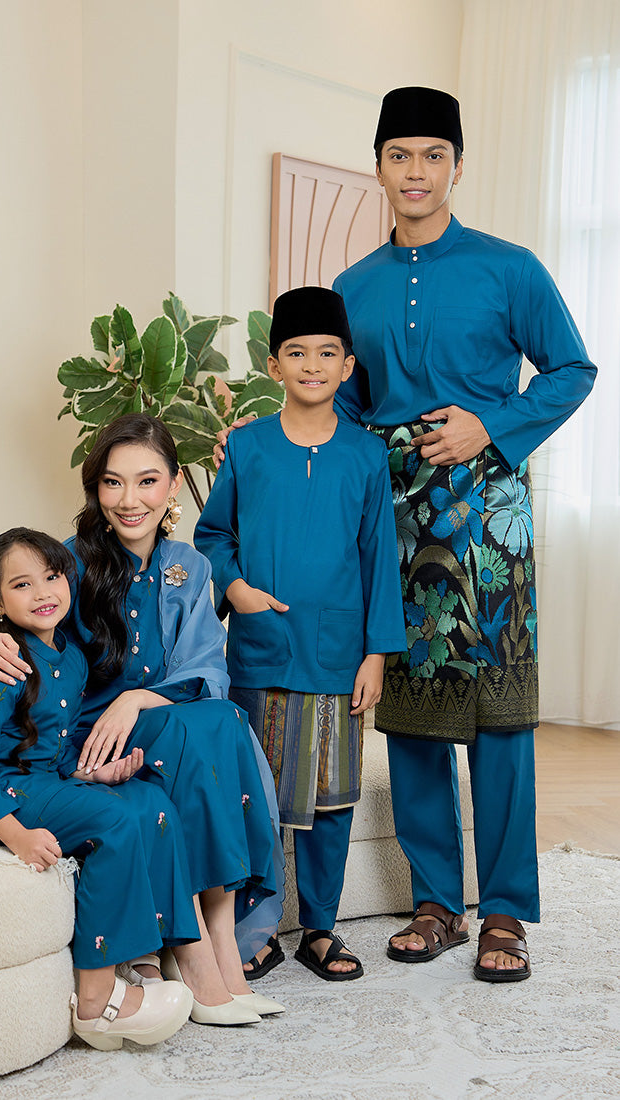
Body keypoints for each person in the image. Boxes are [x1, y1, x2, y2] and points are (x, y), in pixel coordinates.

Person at [331, 86, 596, 981]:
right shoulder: (352, 288)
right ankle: (439, 903)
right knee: (409, 714)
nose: (416, 171)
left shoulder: (507, 266)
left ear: (455, 166)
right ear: (379, 165)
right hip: (399, 514)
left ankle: (508, 912)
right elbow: (349, 405)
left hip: (491, 517)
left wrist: (492, 426)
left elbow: (572, 367)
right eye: (399, 154)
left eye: (432, 155)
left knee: (501, 717)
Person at [0, 416, 284, 1021]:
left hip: (158, 723)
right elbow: (16, 626)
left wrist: (135, 698)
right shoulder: (72, 563)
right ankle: (201, 962)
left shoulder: (191, 566)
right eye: (113, 483)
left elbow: (207, 670)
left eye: (147, 481)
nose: (129, 500)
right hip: (83, 739)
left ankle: (217, 946)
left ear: (174, 485)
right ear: (96, 489)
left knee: (215, 719)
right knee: (203, 727)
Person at [195, 286, 406, 981]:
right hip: (260, 652)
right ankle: (256, 930)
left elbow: (379, 561)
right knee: (259, 795)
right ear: (274, 362)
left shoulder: (365, 457)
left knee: (332, 797)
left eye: (326, 353)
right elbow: (213, 532)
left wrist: (376, 652)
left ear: (347, 366)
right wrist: (236, 590)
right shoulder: (248, 448)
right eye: (296, 353)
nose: (311, 365)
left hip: (340, 657)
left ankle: (320, 928)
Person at [0, 527, 195, 1050]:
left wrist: (89, 776)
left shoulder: (70, 654)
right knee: (112, 821)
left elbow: (52, 743)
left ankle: (144, 955)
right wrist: (16, 836)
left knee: (150, 801)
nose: (43, 592)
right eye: (22, 585)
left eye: (52, 577)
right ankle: (96, 1002)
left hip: (32, 777)